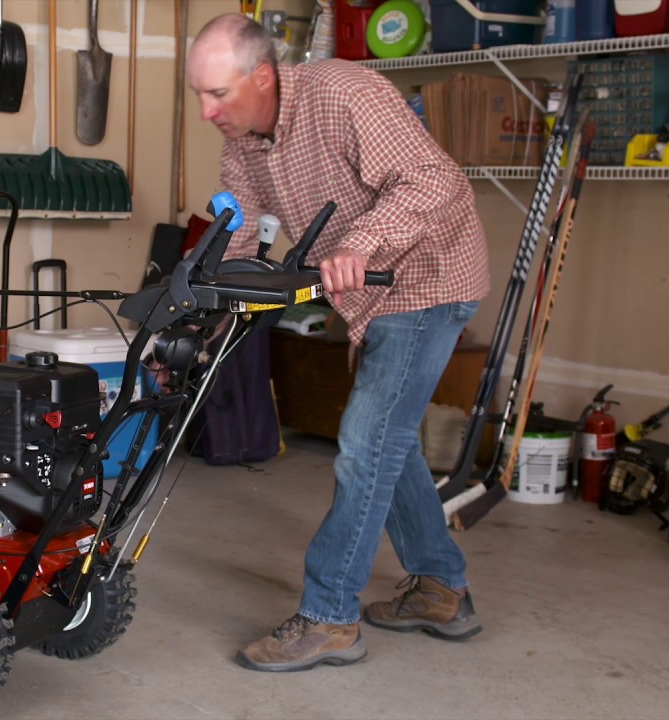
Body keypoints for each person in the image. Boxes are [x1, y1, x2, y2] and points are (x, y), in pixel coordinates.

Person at [186, 14, 492, 672]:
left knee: (366, 441)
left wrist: (358, 241)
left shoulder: (345, 95)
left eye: (217, 95)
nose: (207, 111)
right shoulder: (243, 138)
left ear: (262, 77)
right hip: (367, 290)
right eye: (199, 96)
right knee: (389, 437)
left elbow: (437, 182)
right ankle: (441, 586)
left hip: (427, 278)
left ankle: (329, 616)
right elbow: (237, 232)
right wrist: (197, 305)